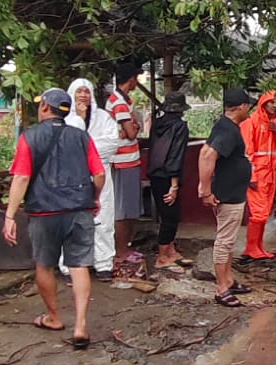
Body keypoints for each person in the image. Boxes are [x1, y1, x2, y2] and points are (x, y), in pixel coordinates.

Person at [2, 88, 106, 350]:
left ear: (46, 107)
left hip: (43, 213)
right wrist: (94, 198)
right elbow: (99, 174)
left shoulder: (30, 137)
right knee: (79, 265)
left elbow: (22, 178)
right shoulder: (82, 137)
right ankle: (81, 325)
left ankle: (54, 318)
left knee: (44, 265)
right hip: (79, 210)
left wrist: (10, 214)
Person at [199, 88, 257, 307]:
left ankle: (229, 280)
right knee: (224, 241)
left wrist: (203, 185)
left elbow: (204, 152)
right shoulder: (227, 129)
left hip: (233, 192)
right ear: (241, 107)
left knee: (229, 240)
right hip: (228, 195)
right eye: (248, 105)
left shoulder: (227, 128)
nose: (249, 108)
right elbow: (207, 155)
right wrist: (205, 189)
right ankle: (221, 288)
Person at [66, 78, 121, 280]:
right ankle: (71, 266)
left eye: (86, 91)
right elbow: (69, 147)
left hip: (100, 173)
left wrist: (85, 148)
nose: (83, 95)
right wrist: (80, 123)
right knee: (72, 220)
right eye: (79, 91)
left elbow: (112, 144)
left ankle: (104, 263)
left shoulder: (103, 118)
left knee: (103, 219)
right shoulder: (65, 119)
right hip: (73, 176)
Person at [106, 61, 146, 267]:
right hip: (122, 161)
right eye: (136, 79)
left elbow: (128, 130)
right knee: (122, 207)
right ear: (131, 80)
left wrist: (131, 127)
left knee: (127, 206)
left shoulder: (121, 100)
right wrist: (135, 126)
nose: (137, 83)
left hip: (127, 159)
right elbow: (131, 133)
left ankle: (124, 247)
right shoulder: (119, 103)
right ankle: (121, 250)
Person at [240, 90, 276, 260]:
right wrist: (251, 177)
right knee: (258, 213)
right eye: (271, 102)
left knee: (264, 212)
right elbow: (246, 152)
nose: (275, 105)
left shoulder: (272, 124)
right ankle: (251, 248)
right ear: (263, 103)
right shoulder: (250, 123)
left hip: (269, 175)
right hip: (258, 176)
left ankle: (258, 247)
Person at [148, 91, 192, 275]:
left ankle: (171, 251)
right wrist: (174, 185)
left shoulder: (157, 123)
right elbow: (176, 155)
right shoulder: (180, 127)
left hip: (155, 173)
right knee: (170, 217)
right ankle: (162, 257)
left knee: (166, 213)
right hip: (168, 176)